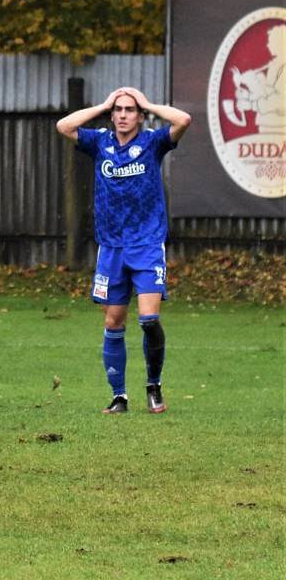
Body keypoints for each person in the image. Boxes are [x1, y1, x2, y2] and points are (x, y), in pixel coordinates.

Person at [56, 86, 191, 414]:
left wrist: (147, 102)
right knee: (114, 322)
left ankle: (153, 386)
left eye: (130, 110)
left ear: (140, 116)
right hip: (111, 247)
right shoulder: (99, 142)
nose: (123, 115)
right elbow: (64, 126)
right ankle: (119, 396)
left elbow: (183, 119)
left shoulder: (152, 143)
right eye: (118, 110)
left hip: (146, 244)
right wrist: (102, 104)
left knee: (148, 319)